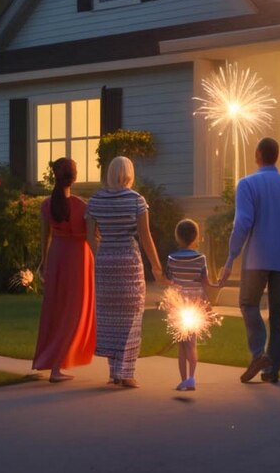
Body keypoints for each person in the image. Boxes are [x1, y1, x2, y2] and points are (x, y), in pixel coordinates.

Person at [219, 137, 280, 384]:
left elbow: (243, 222)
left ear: (258, 154)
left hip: (256, 259)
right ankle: (272, 370)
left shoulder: (248, 184)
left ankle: (259, 354)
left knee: (249, 304)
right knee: (279, 313)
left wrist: (231, 255)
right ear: (276, 156)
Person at [86, 156, 167, 388]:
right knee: (131, 317)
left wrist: (98, 254)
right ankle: (127, 372)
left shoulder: (95, 201)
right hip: (128, 262)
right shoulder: (136, 200)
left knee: (110, 318)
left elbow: (91, 235)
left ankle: (114, 372)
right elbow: (145, 235)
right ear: (130, 173)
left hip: (105, 262)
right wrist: (156, 266)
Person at [32, 158, 96, 383]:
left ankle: (55, 363)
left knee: (57, 311)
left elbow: (44, 237)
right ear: (74, 177)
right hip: (78, 258)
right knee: (72, 312)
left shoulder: (47, 205)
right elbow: (91, 237)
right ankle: (57, 366)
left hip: (57, 254)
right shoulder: (82, 206)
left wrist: (44, 261)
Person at [166, 218, 217, 392]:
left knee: (181, 344)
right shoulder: (201, 258)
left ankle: (183, 380)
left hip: (179, 306)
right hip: (195, 306)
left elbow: (171, 283)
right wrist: (208, 303)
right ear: (196, 237)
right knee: (192, 344)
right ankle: (192, 378)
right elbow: (205, 282)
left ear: (177, 237)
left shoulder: (171, 258)